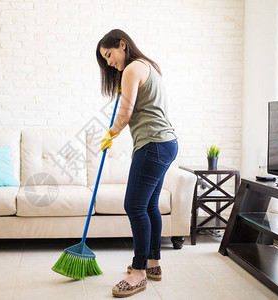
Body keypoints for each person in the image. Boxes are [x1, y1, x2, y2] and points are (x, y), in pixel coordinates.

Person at [96, 29, 178, 298]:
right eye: (104, 60)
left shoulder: (132, 68)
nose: (109, 62)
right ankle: (153, 263)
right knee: (150, 205)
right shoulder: (148, 66)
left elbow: (125, 113)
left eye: (109, 55)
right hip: (166, 143)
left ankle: (139, 272)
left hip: (152, 145)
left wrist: (111, 133)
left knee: (134, 205)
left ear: (122, 44)